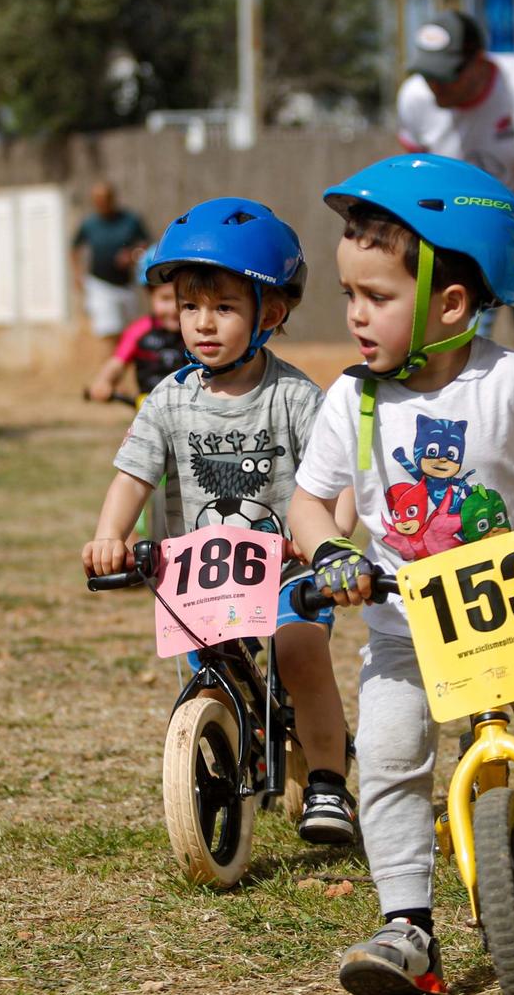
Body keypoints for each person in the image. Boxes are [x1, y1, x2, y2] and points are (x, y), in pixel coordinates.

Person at [289, 154, 514, 995]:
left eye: (375, 297)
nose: (355, 316)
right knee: (386, 754)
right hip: (403, 626)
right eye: (348, 295)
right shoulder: (353, 398)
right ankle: (407, 924)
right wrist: (330, 553)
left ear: (451, 303)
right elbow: (310, 501)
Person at [81, 198, 359, 847]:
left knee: (299, 655)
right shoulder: (167, 399)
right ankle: (228, 742)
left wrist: (330, 544)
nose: (203, 324)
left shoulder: (292, 396)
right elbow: (133, 477)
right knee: (208, 660)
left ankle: (325, 779)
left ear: (273, 312)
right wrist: (108, 536)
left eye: (225, 307)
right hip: (200, 576)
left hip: (287, 571)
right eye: (189, 306)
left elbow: (339, 480)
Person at [394, 9, 514, 506]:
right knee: (448, 369)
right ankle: (450, 499)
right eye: (428, 74)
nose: (435, 87)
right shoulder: (415, 100)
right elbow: (411, 184)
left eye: (447, 75)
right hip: (455, 258)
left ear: (479, 63)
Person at [86, 245, 183, 404]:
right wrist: (104, 381)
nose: (174, 308)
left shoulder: (197, 330)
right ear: (149, 295)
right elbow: (117, 363)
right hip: (149, 412)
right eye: (165, 299)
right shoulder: (140, 330)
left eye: (182, 300)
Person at [71, 181, 149, 353]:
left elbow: (145, 244)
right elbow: (74, 248)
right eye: (96, 199)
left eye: (104, 198)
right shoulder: (89, 224)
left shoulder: (130, 220)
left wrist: (131, 255)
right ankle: (109, 373)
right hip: (99, 285)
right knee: (109, 332)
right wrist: (77, 274)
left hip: (125, 285)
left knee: (127, 332)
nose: (101, 203)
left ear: (113, 199)